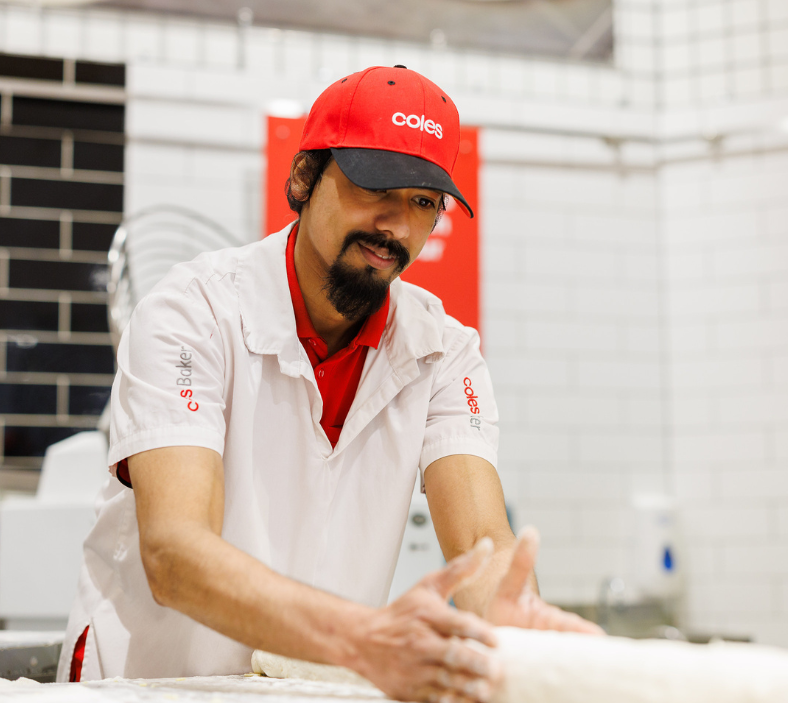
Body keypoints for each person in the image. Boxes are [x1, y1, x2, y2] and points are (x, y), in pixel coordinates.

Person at [58, 66, 599, 701]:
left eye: (424, 203)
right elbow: (176, 554)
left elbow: (484, 542)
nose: (396, 225)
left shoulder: (443, 351)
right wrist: (367, 639)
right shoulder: (193, 313)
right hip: (149, 682)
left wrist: (514, 625)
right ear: (303, 178)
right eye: (376, 187)